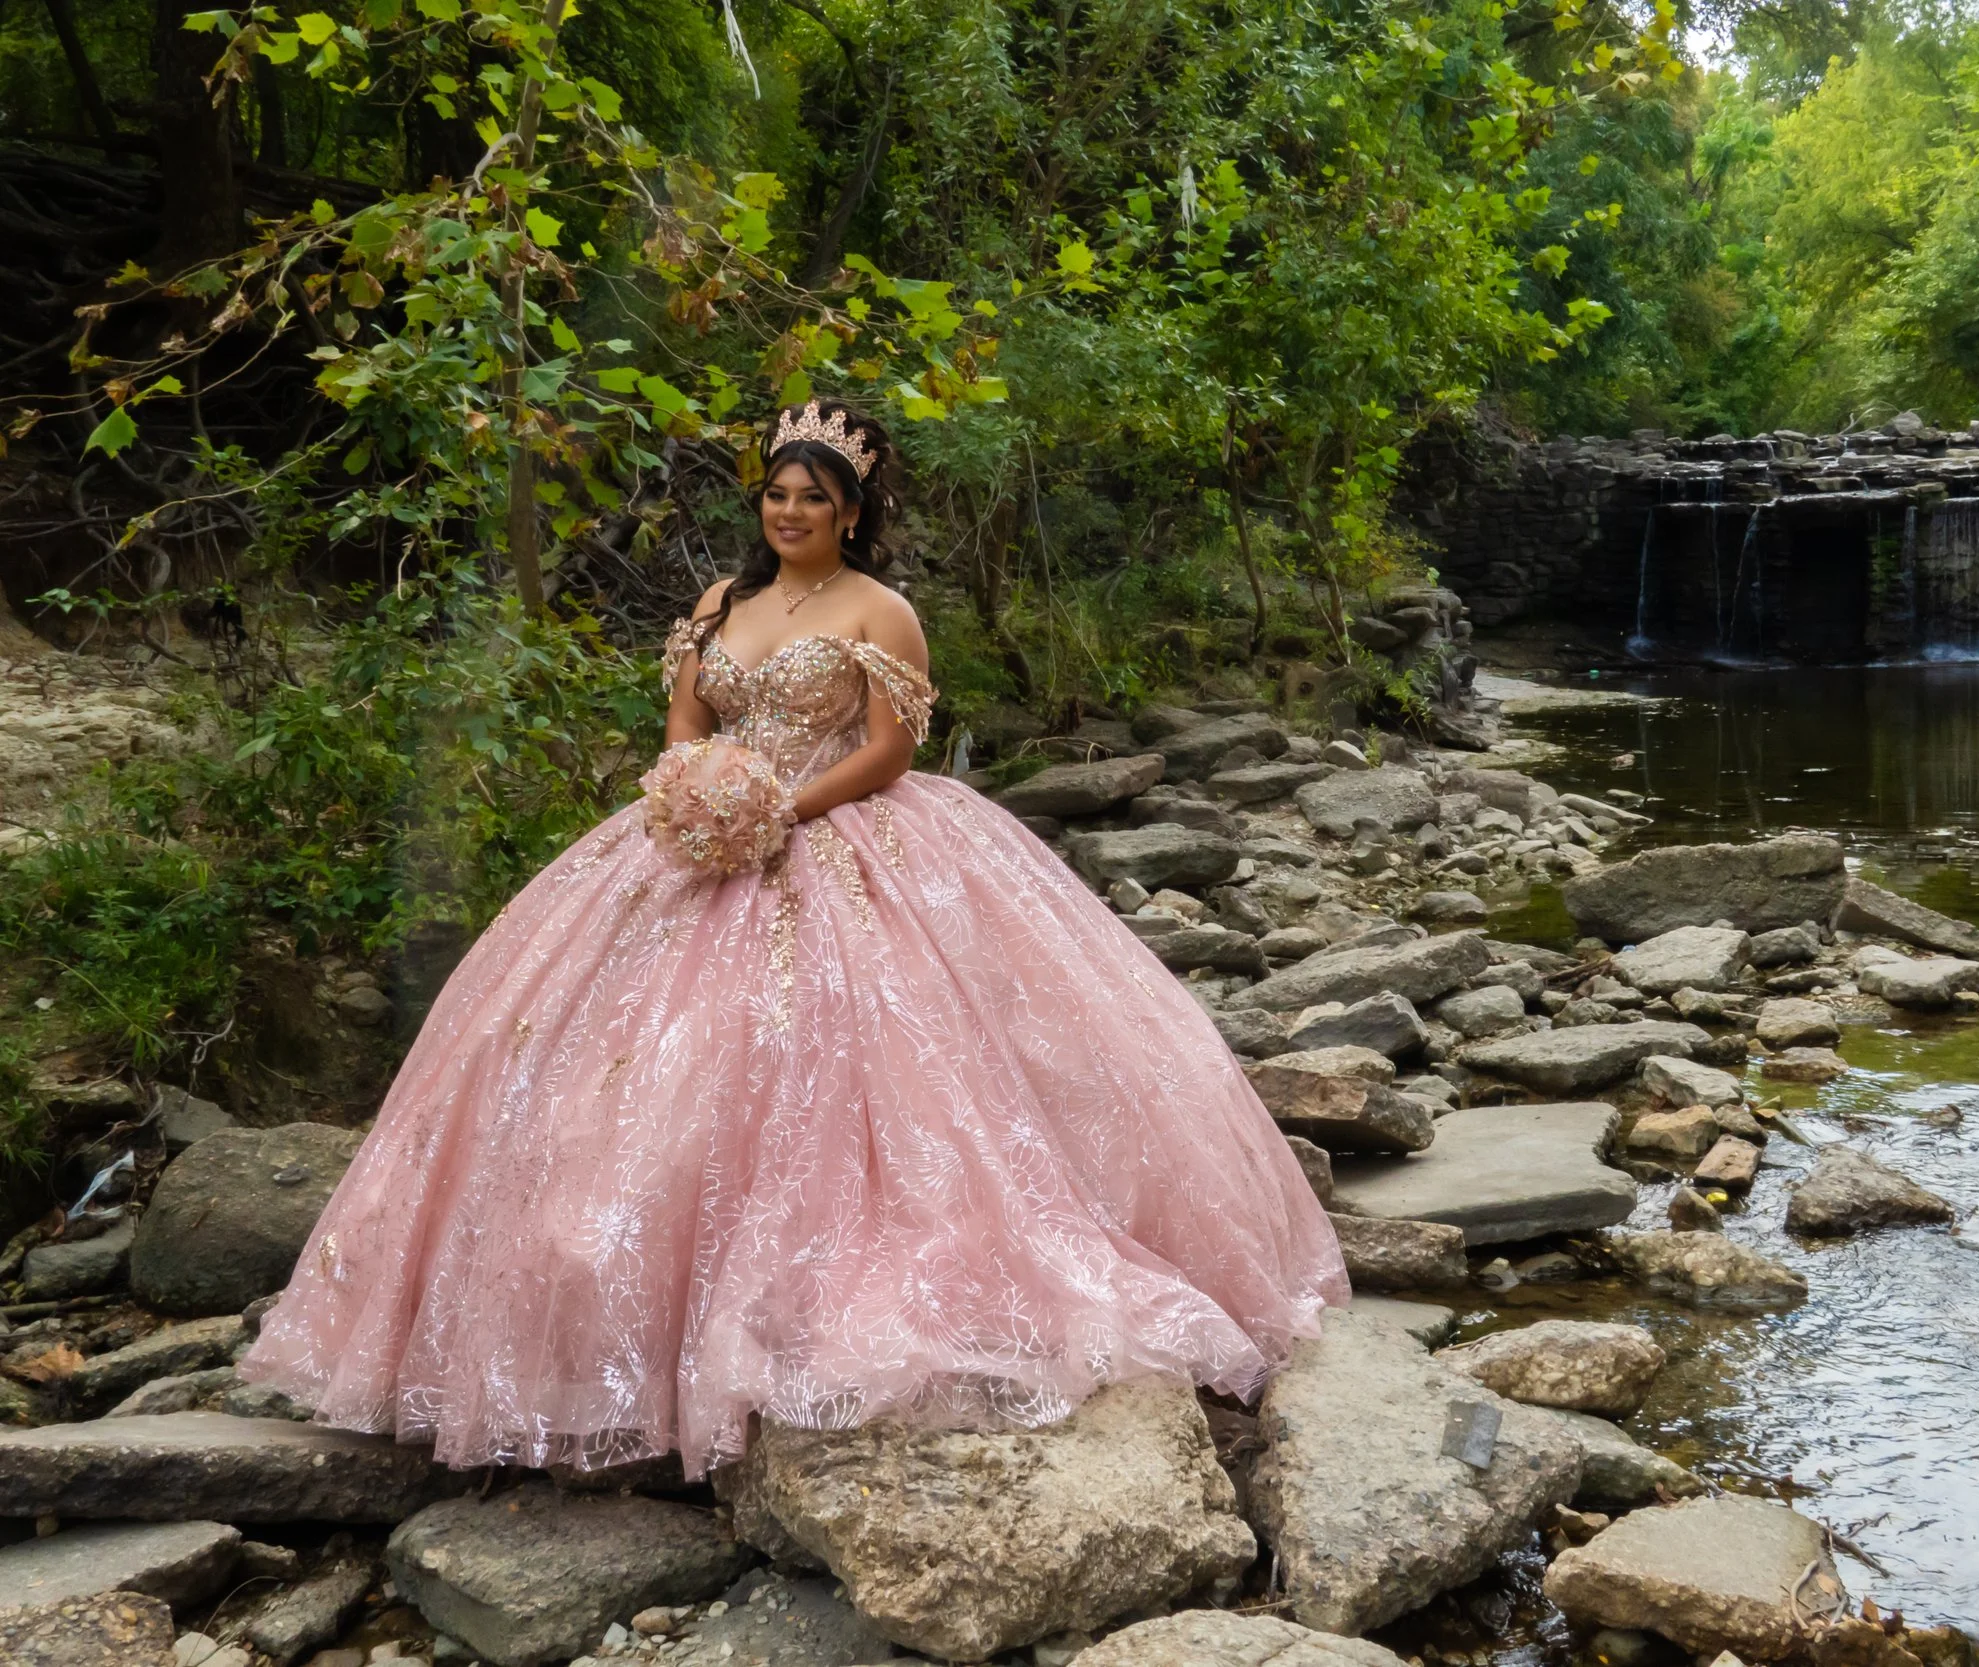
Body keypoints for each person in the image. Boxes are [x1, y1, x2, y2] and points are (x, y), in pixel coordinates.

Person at [238, 398, 1349, 1477]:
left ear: (851, 511)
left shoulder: (880, 610)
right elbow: (686, 724)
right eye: (777, 493)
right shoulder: (720, 602)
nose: (790, 511)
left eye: (813, 497)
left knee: (852, 1057)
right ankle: (584, 1339)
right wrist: (696, 792)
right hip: (700, 845)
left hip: (847, 833)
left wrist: (779, 809)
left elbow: (889, 752)